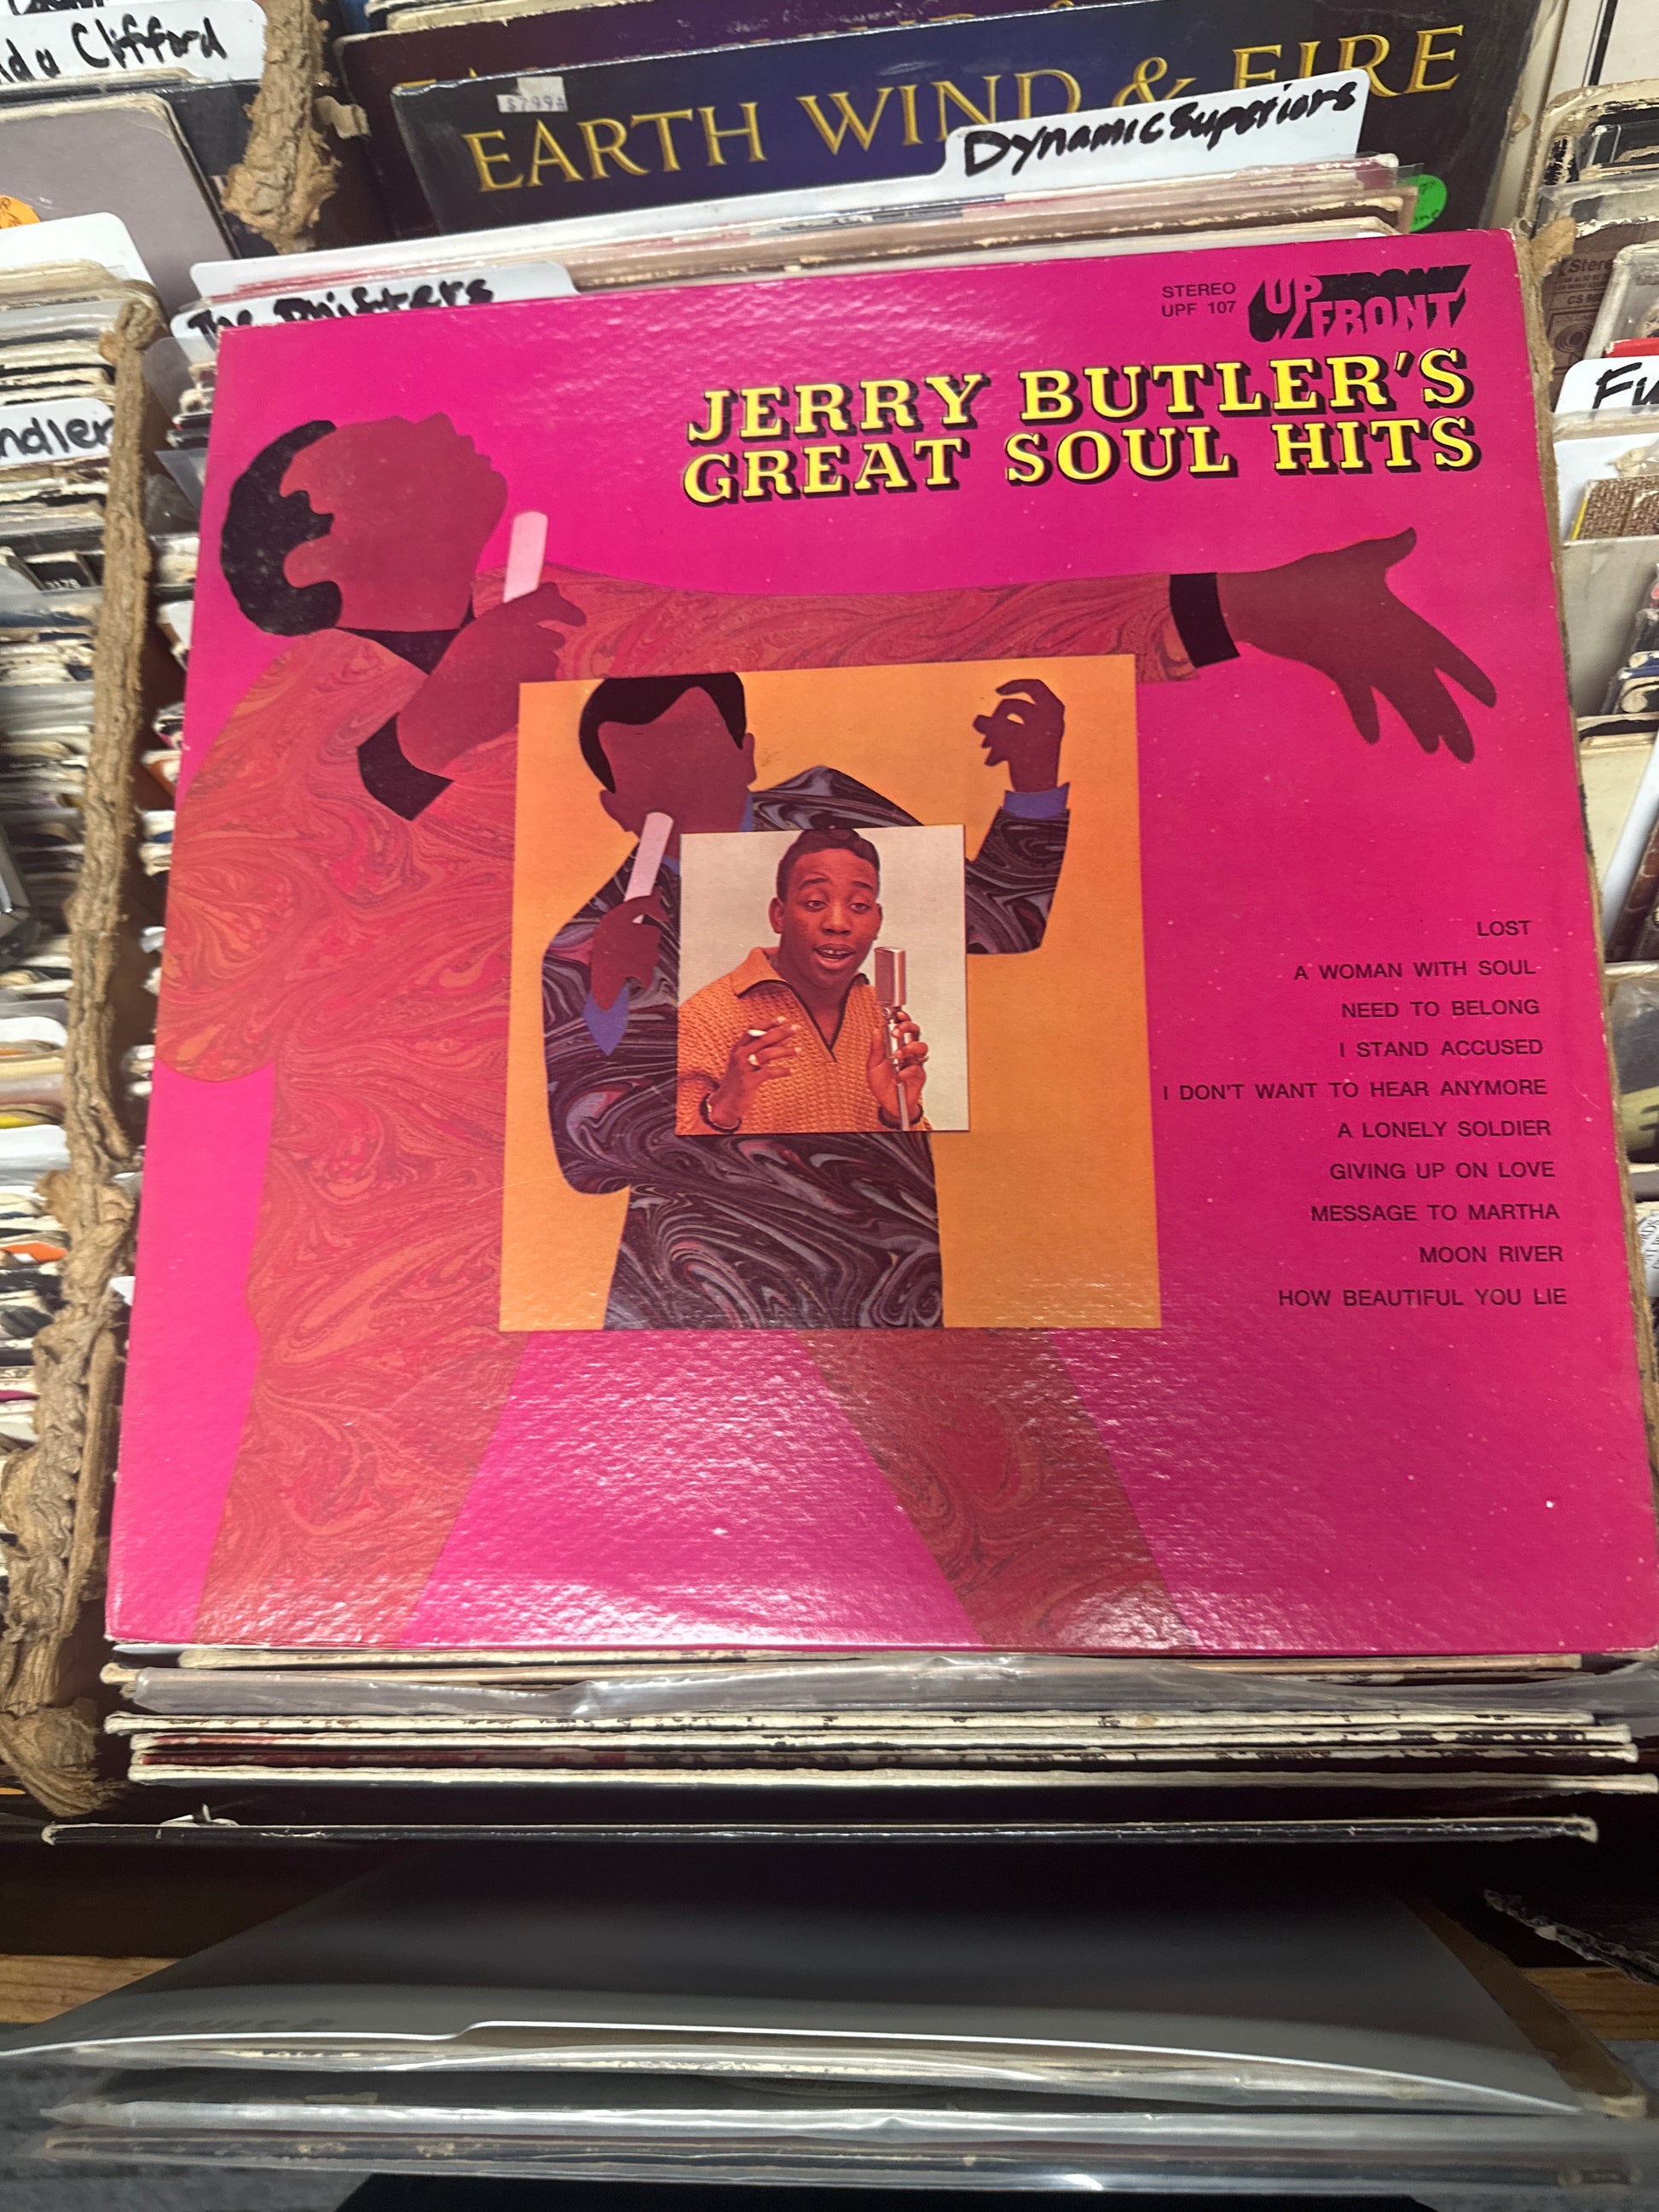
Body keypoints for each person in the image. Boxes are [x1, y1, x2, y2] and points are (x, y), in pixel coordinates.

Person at [151, 409, 1495, 1648]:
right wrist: (425, 741)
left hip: (810, 1182)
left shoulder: (586, 628)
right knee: (311, 1597)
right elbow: (211, 1023)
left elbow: (891, 638)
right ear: (316, 550)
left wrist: (1233, 605)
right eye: (371, 446)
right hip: (395, 1229)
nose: (428, 417)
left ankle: (1158, 1730)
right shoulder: (288, 721)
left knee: (1035, 1531)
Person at [546, 675, 1066, 1325]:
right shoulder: (585, 943)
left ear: (747, 755)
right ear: (618, 807)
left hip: (884, 1265)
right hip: (694, 1279)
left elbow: (1000, 925)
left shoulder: (830, 820)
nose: (685, 789)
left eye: (701, 757)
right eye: (654, 779)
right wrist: (606, 1001)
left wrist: (1035, 785)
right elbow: (588, 1165)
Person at [676, 827, 928, 1140]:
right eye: (815, 903)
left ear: (877, 921)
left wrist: (901, 1113)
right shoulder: (701, 1020)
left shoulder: (881, 1014)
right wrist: (724, 1110)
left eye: (859, 906)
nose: (837, 924)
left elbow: (922, 1162)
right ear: (779, 915)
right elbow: (664, 1160)